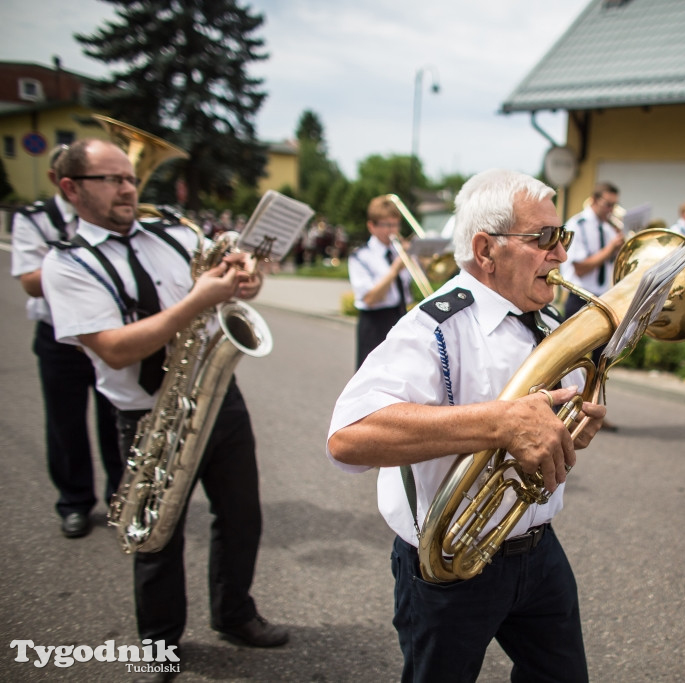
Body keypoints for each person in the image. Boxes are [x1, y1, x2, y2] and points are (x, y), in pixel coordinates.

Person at [327, 169, 605, 683]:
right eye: (544, 239)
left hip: (539, 551)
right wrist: (499, 423)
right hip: (449, 568)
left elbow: (538, 434)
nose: (561, 255)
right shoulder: (431, 327)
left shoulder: (547, 325)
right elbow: (349, 436)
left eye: (561, 237)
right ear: (486, 250)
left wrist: (568, 432)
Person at [40, 139, 287, 682]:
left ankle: (235, 613)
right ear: (71, 189)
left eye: (131, 177)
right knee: (157, 535)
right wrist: (199, 299)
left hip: (218, 398)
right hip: (147, 414)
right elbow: (115, 347)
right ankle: (158, 644)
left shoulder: (175, 233)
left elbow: (230, 293)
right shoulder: (66, 264)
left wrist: (245, 280)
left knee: (242, 516)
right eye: (112, 179)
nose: (129, 188)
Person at [10, 144, 121, 539]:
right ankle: (74, 501)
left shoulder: (119, 217)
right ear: (65, 183)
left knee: (116, 421)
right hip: (61, 337)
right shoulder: (36, 218)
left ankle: (119, 498)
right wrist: (79, 258)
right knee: (65, 423)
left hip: (113, 331)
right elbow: (29, 281)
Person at [348, 195, 413, 367]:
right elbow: (369, 298)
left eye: (395, 224)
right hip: (375, 323)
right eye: (387, 225)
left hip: (400, 316)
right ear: (372, 226)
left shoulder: (400, 252)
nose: (393, 230)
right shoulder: (361, 256)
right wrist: (394, 270)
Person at [561, 181, 624, 319]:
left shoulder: (608, 228)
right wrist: (610, 248)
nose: (611, 210)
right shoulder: (577, 225)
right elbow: (580, 268)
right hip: (579, 298)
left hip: (603, 297)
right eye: (608, 204)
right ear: (594, 200)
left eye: (614, 205)